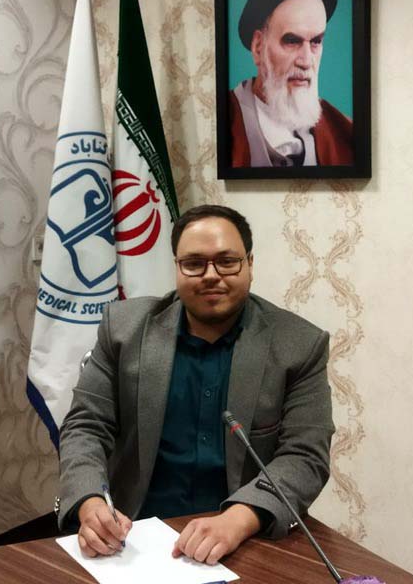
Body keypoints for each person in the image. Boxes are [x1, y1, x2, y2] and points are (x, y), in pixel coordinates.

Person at [58, 204, 334, 564]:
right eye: (194, 263)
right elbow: (85, 426)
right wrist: (90, 501)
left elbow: (305, 456)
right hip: (132, 535)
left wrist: (238, 519)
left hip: (246, 536)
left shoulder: (299, 345)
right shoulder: (124, 329)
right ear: (177, 267)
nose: (211, 275)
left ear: (250, 264)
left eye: (227, 262)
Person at [230, 0, 353, 168]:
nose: (306, 61)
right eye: (292, 41)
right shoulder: (223, 121)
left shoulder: (346, 134)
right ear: (258, 47)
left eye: (316, 41)